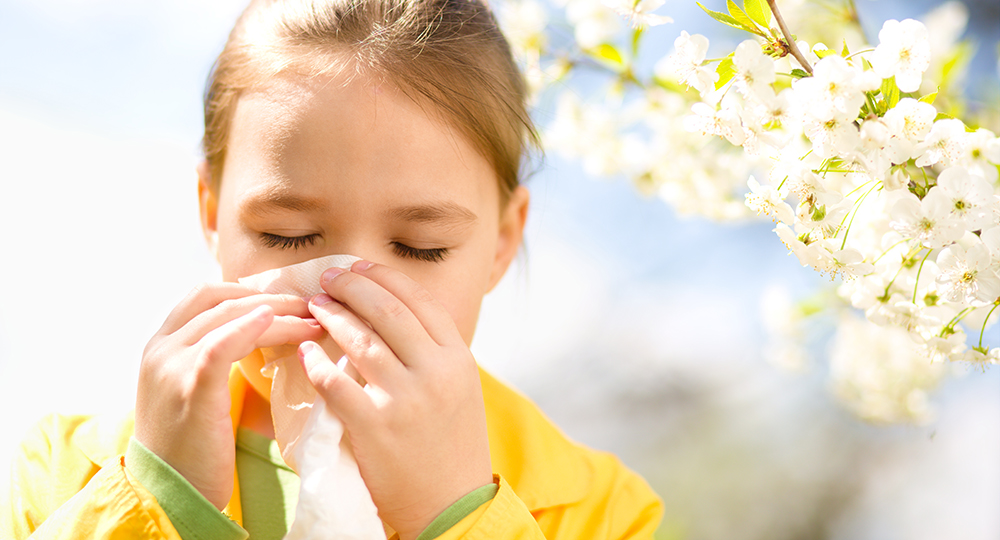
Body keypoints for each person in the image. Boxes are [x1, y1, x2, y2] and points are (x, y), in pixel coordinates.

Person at [2, 0, 663, 538]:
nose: (347, 292)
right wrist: (160, 505)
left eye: (420, 246)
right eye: (287, 236)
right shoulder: (68, 471)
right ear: (212, 213)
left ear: (500, 241)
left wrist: (456, 516)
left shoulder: (599, 510)